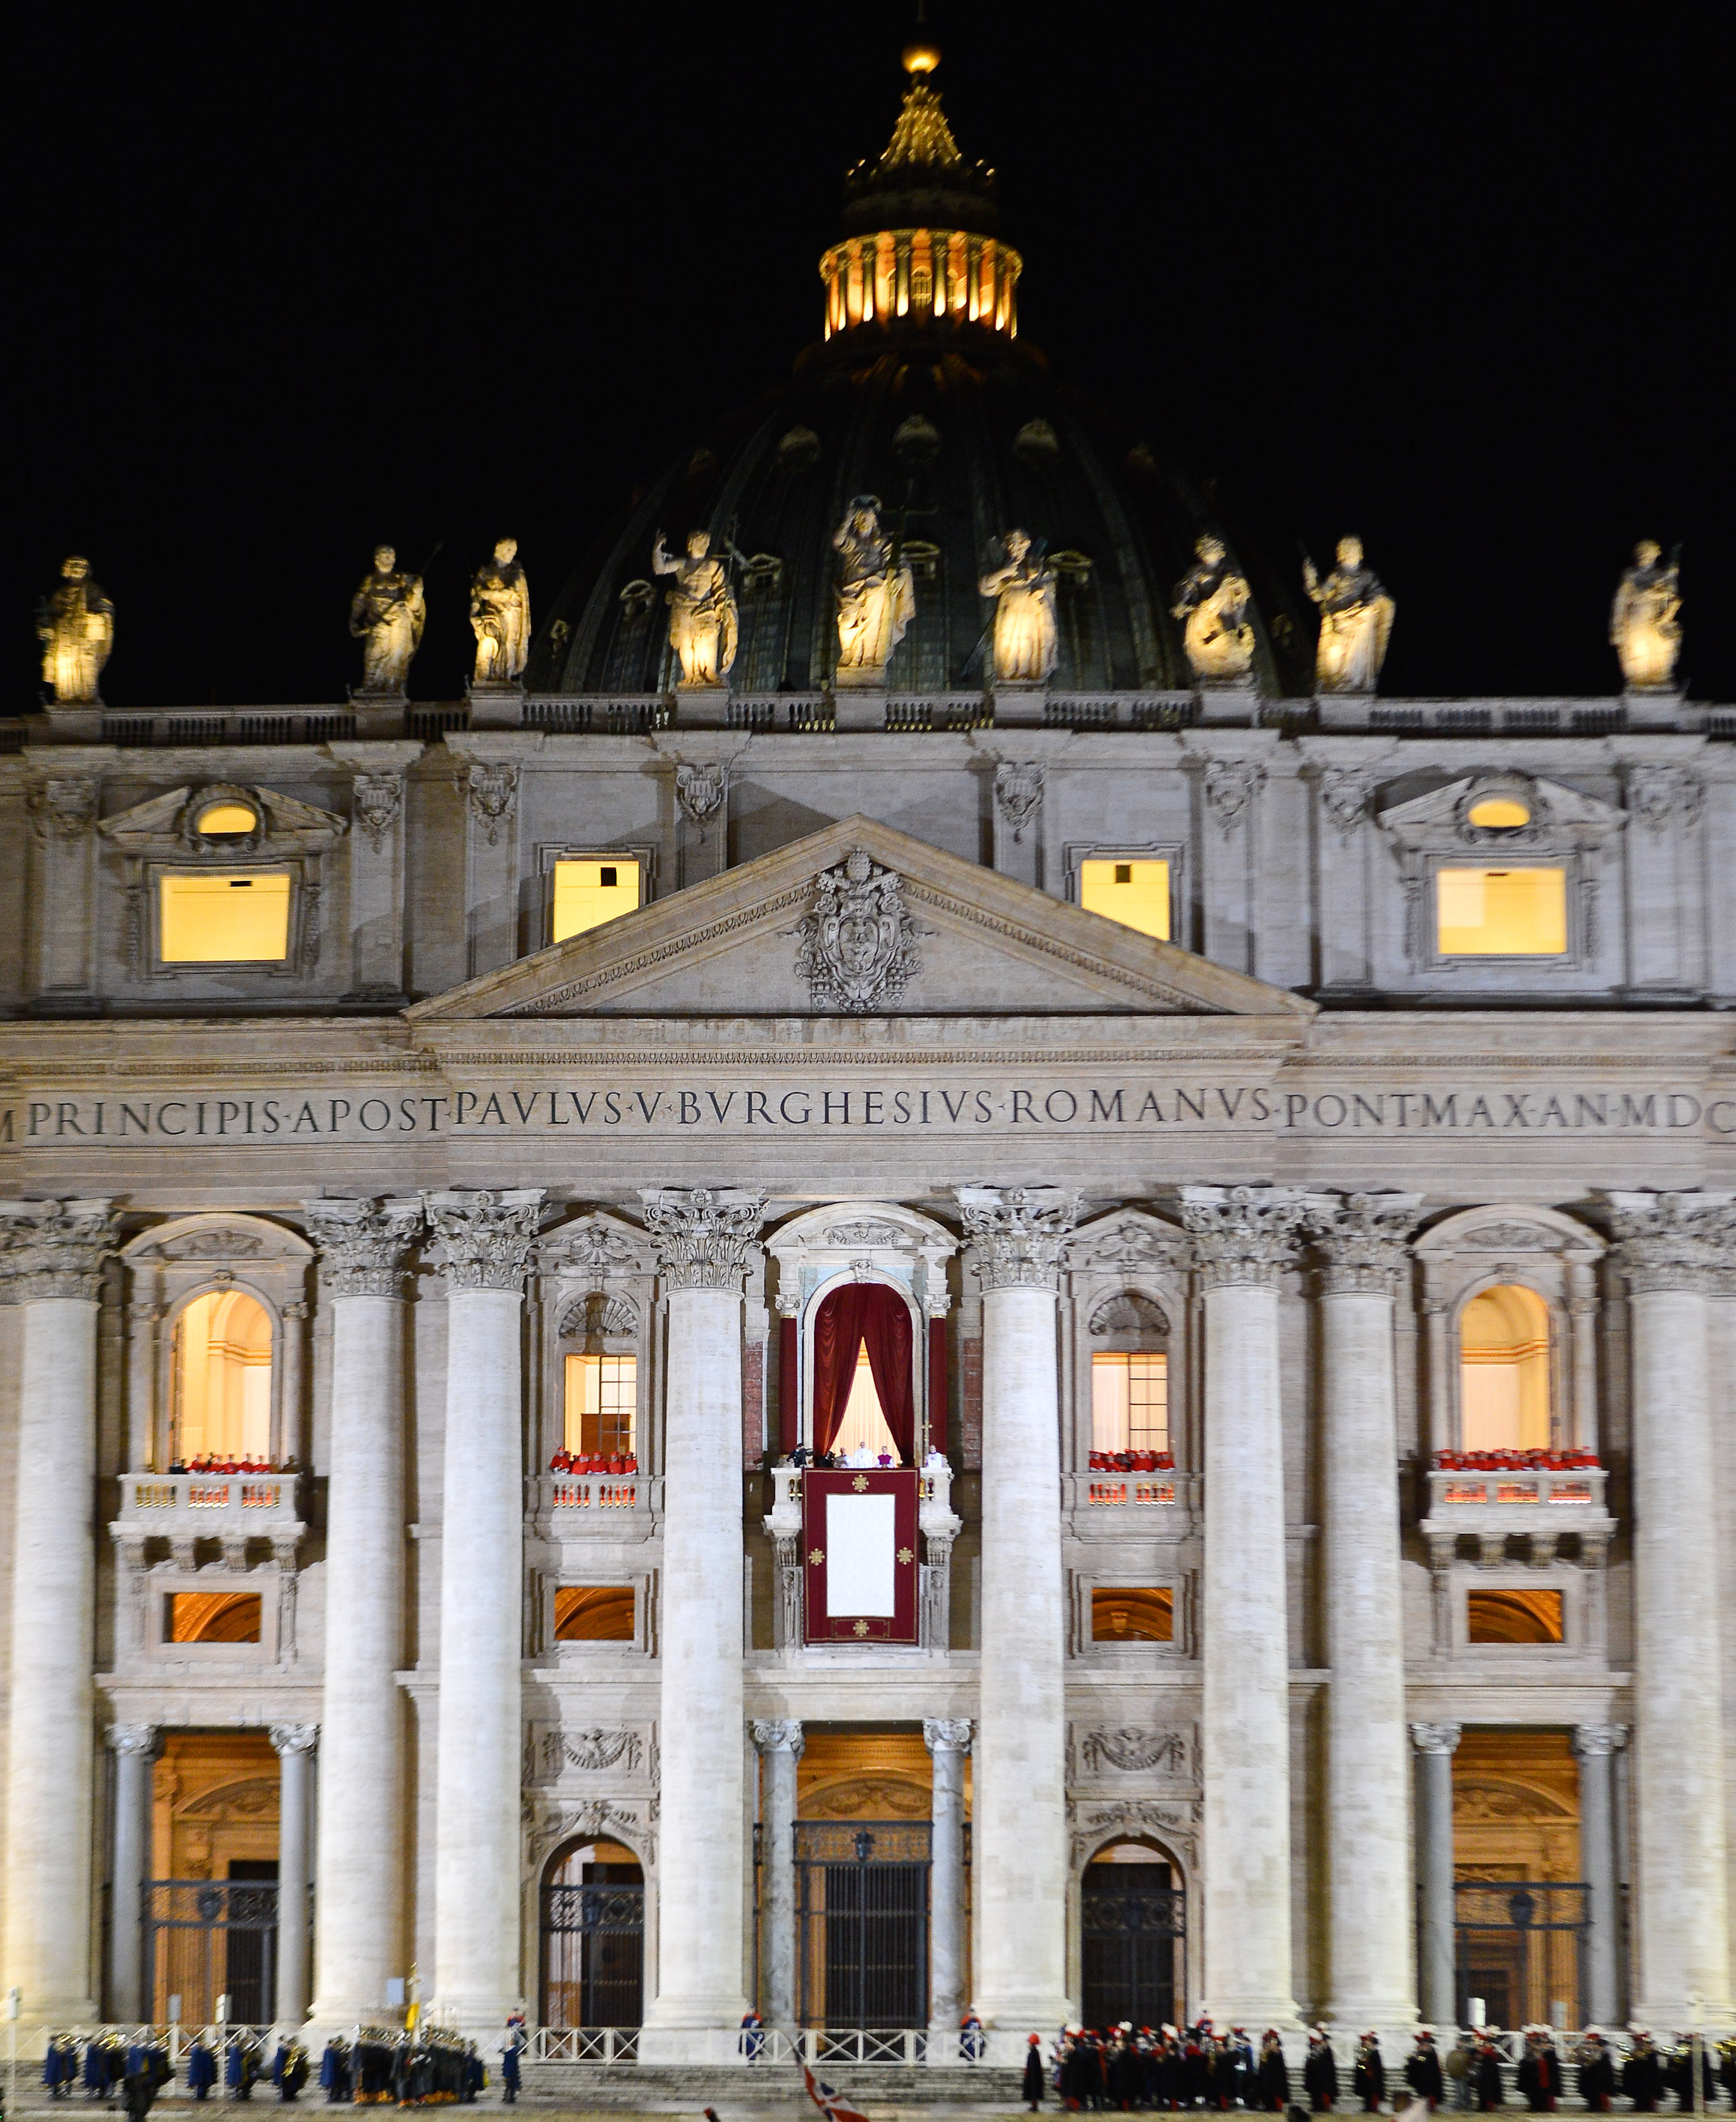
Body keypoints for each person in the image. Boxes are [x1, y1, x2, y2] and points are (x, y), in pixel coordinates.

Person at [1516, 2030, 1558, 2113]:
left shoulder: (1549, 2052)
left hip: (1544, 2076)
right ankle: (1535, 2106)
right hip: (1533, 2077)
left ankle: (1542, 2106)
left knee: (1543, 2093)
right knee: (1533, 2093)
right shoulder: (1531, 2051)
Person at [1623, 2032, 1664, 2114]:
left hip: (1648, 2081)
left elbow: (1653, 2069)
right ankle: (1640, 2105)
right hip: (1638, 2081)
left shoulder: (1651, 2054)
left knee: (1647, 2097)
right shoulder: (1635, 2052)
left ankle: (1647, 2106)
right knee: (1639, 2096)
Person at [1576, 2031, 1614, 2114]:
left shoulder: (1603, 2054)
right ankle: (1592, 2106)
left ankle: (1600, 2106)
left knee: (1599, 2094)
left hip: (1600, 2079)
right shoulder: (1589, 2052)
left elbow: (1604, 2067)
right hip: (1591, 2078)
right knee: (1591, 2094)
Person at [1408, 2033, 1445, 2111]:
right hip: (1423, 2077)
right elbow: (1419, 2062)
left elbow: (1423, 2062)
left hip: (1431, 2078)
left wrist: (1415, 2060)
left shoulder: (1430, 2054)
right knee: (1423, 2093)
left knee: (1430, 2093)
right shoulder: (1422, 2053)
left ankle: (1431, 2107)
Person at [1306, 2029, 1340, 2113]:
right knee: (1315, 2093)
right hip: (1315, 2076)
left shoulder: (1325, 2050)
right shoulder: (1315, 2049)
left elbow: (1326, 2064)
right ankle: (1316, 2106)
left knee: (1323, 2092)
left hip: (1324, 2076)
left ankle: (1323, 2106)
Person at [1259, 2031, 1292, 2112]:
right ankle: (1268, 2105)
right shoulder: (1267, 2053)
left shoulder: (1277, 2054)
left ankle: (1276, 2106)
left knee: (1276, 2093)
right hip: (1268, 2077)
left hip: (1276, 2077)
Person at [1353, 2035, 1387, 2114]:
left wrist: (1370, 2070)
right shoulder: (1366, 2052)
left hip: (1373, 2077)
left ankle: (1373, 2107)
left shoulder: (1375, 2053)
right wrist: (1362, 2066)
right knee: (1367, 2093)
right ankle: (1367, 2106)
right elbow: (1362, 2065)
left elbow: (1376, 2066)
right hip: (1366, 2076)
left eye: (1369, 2043)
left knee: (1373, 2093)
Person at [186, 2038, 218, 2103]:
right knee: (202, 2085)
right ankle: (201, 2096)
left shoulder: (195, 2050)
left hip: (199, 2071)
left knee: (201, 2084)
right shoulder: (198, 2050)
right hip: (202, 2071)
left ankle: (201, 2095)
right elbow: (205, 2057)